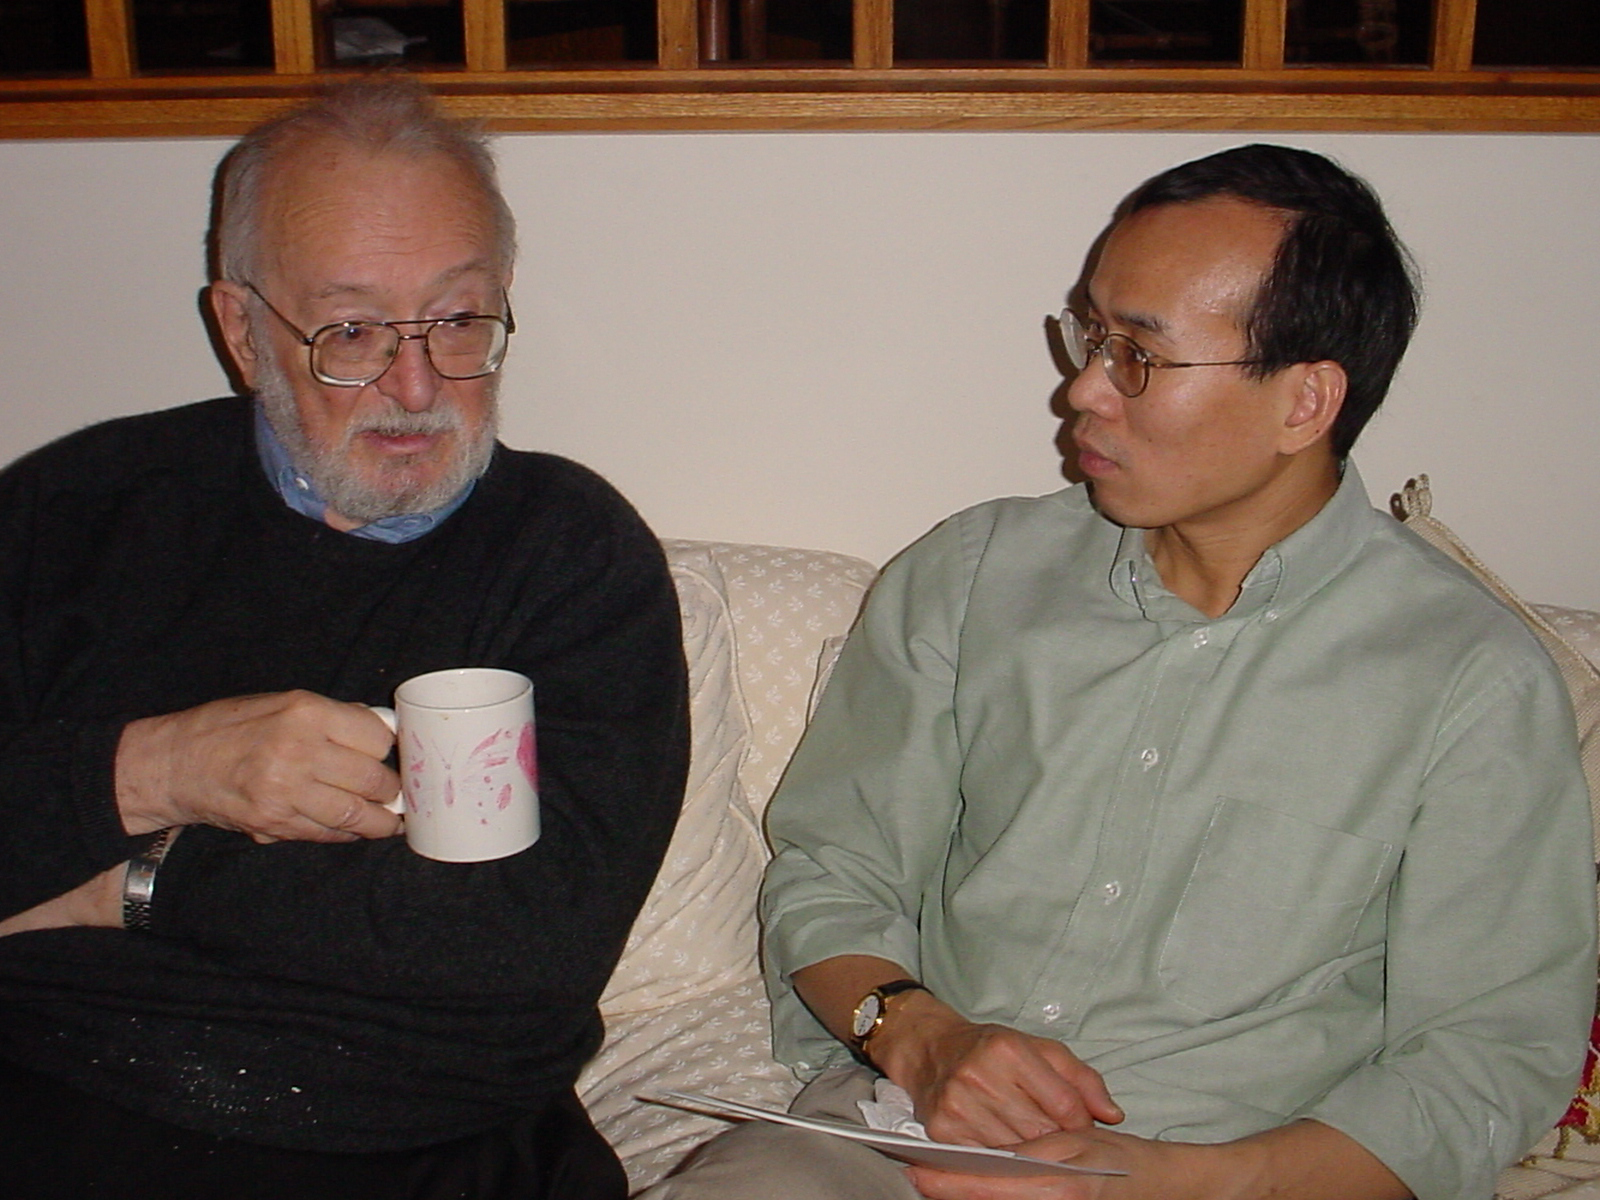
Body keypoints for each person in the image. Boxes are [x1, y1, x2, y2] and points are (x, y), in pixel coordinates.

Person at [646, 144, 1596, 1200]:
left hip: (1237, 1170)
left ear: (1304, 402)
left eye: (1138, 355)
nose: (1081, 390)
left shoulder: (1466, 677)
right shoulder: (972, 576)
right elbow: (833, 869)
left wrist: (1179, 1179)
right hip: (893, 1140)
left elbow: (1486, 1055)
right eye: (1090, 334)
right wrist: (922, 1038)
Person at [0, 77, 687, 1199]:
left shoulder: (572, 557)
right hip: (52, 1098)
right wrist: (161, 768)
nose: (416, 384)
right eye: (353, 330)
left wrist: (127, 884)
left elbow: (529, 949)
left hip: (421, 1135)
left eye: (459, 319)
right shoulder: (72, 512)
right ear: (238, 327)